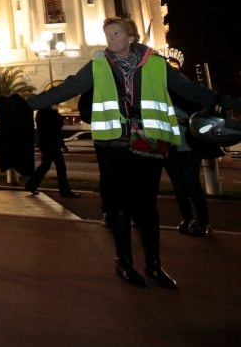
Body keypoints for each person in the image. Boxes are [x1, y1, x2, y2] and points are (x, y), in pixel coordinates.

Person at [25, 17, 240, 288]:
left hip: (149, 140)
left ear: (131, 37)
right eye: (107, 34)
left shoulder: (157, 64)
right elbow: (65, 90)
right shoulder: (97, 65)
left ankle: (153, 263)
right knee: (122, 202)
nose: (111, 38)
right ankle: (125, 262)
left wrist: (228, 102)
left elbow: (192, 91)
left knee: (147, 203)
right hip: (114, 142)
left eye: (116, 33)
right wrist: (23, 105)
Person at [164, 89, 212, 236]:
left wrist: (183, 121)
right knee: (178, 186)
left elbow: (201, 122)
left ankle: (204, 223)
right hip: (169, 149)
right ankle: (188, 219)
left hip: (188, 149)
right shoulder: (158, 100)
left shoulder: (187, 99)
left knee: (192, 185)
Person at [23, 106, 79, 197]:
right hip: (51, 143)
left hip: (45, 142)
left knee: (46, 165)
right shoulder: (49, 113)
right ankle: (64, 190)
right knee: (60, 166)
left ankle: (31, 185)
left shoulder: (42, 112)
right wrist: (61, 143)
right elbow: (55, 130)